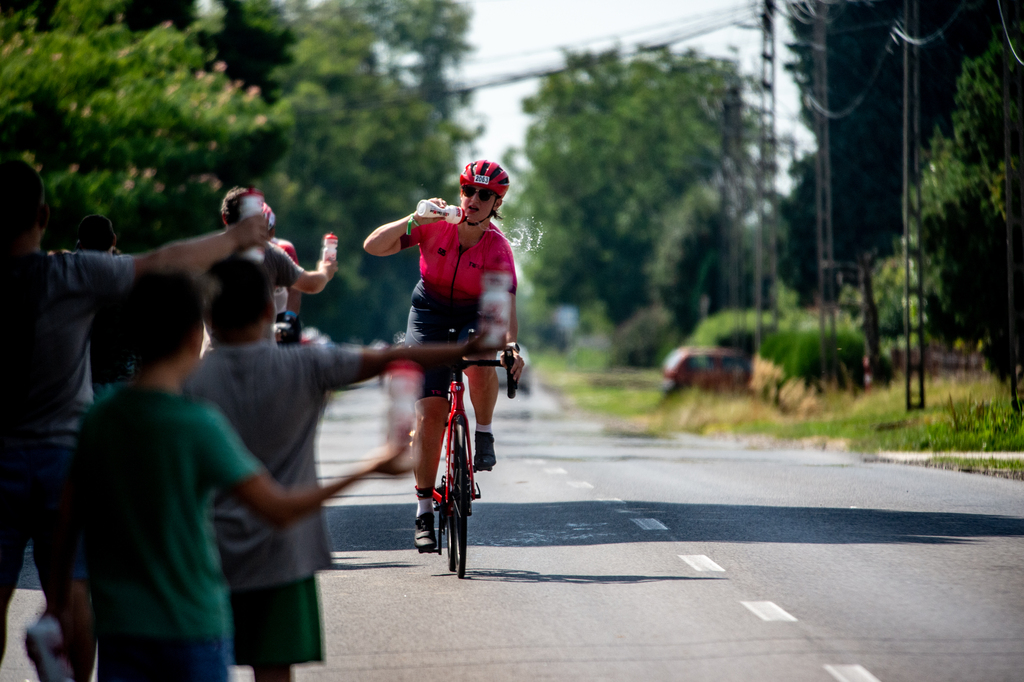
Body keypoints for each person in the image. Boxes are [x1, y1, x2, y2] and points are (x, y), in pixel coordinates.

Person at [43, 271, 412, 682]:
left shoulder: (101, 417)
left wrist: (56, 605)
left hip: (120, 628)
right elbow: (278, 510)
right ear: (192, 335)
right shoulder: (197, 424)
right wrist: (371, 466)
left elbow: (66, 522)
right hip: (191, 624)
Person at [0, 159, 267, 680]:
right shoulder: (69, 274)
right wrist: (235, 237)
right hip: (63, 452)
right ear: (44, 215)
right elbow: (166, 259)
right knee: (74, 590)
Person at [183, 258, 498, 682]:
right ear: (266, 312)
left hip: (199, 560)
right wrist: (461, 350)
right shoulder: (305, 367)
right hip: (282, 560)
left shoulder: (187, 384)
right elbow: (391, 357)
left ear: (207, 316)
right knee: (274, 670)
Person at [363, 159, 526, 553]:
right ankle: (423, 510)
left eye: (484, 195)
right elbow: (372, 246)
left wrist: (510, 347)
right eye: (468, 190)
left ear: (496, 203)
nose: (473, 199)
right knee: (430, 412)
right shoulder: (435, 224)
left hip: (474, 313)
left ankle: (483, 434)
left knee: (483, 354)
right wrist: (411, 220)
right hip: (429, 312)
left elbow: (503, 315)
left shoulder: (497, 248)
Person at [219, 188, 338, 338]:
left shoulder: (204, 252)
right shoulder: (271, 252)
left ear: (224, 218)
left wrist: (288, 318)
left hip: (215, 355)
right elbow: (311, 284)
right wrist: (325, 271)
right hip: (261, 353)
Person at [76, 215, 135, 390]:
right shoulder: (130, 277)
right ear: (114, 240)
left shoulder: (68, 279)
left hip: (81, 385)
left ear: (81, 244)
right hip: (125, 382)